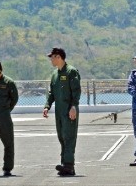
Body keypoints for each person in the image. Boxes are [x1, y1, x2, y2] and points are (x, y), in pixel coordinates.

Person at [42, 47, 81, 176]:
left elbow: (76, 91)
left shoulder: (71, 72)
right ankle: (65, 164)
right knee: (62, 137)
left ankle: (69, 165)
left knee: (69, 137)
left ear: (58, 57)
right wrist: (47, 106)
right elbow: (51, 92)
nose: (51, 60)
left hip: (69, 110)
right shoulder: (55, 74)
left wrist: (74, 106)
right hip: (59, 111)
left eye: (52, 57)